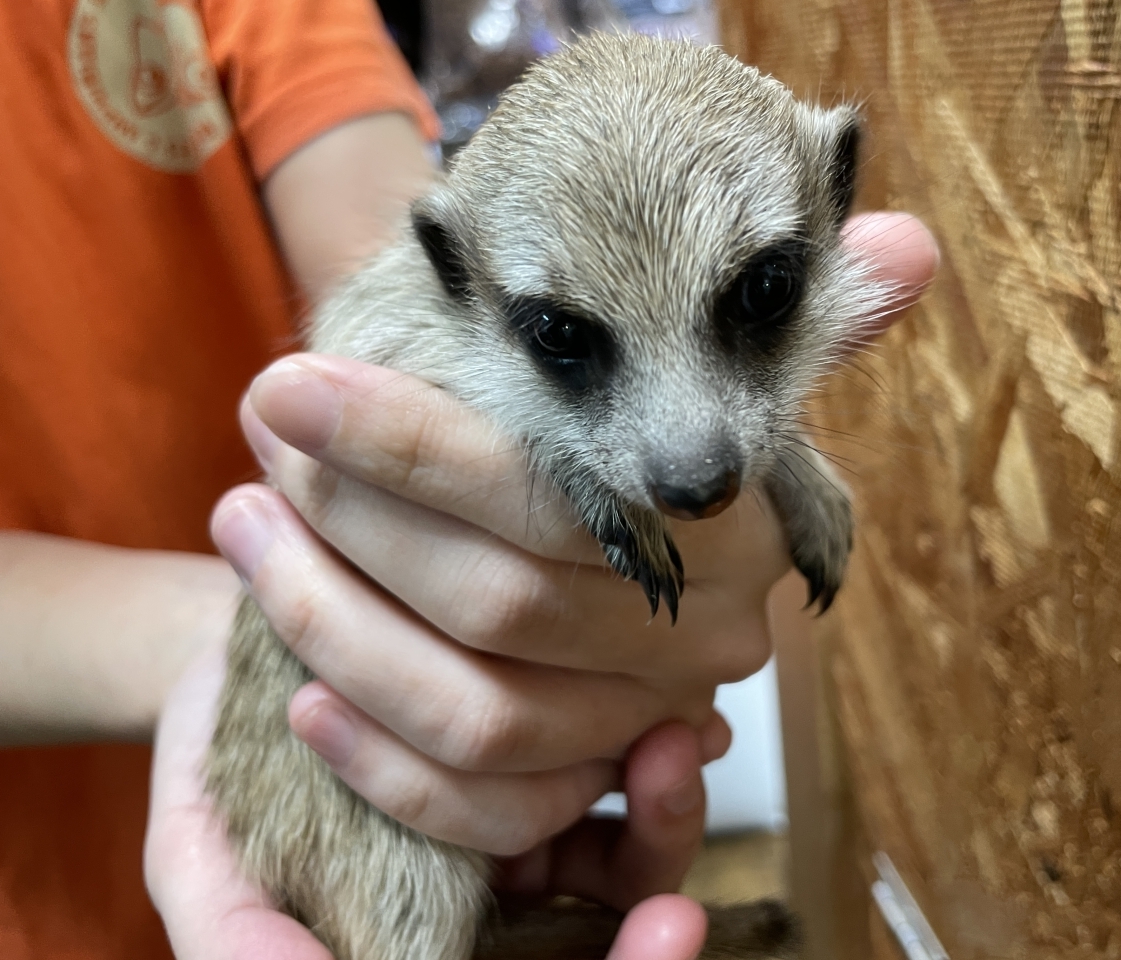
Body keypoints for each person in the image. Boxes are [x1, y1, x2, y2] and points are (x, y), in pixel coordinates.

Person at [0, 0, 938, 957]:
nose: (689, 461)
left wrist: (786, 468)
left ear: (837, 189)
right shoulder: (425, 299)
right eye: (567, 339)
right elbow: (357, 334)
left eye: (760, 294)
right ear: (461, 277)